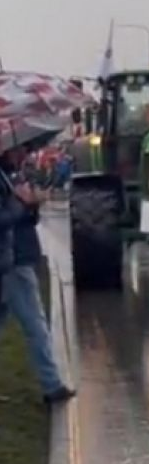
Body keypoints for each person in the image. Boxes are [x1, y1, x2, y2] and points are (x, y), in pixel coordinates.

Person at [0, 143, 74, 404]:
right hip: (14, 260)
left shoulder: (10, 176)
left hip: (13, 258)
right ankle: (52, 385)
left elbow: (21, 218)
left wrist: (31, 206)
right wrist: (21, 203)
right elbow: (5, 218)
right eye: (17, 150)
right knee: (36, 324)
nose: (23, 155)